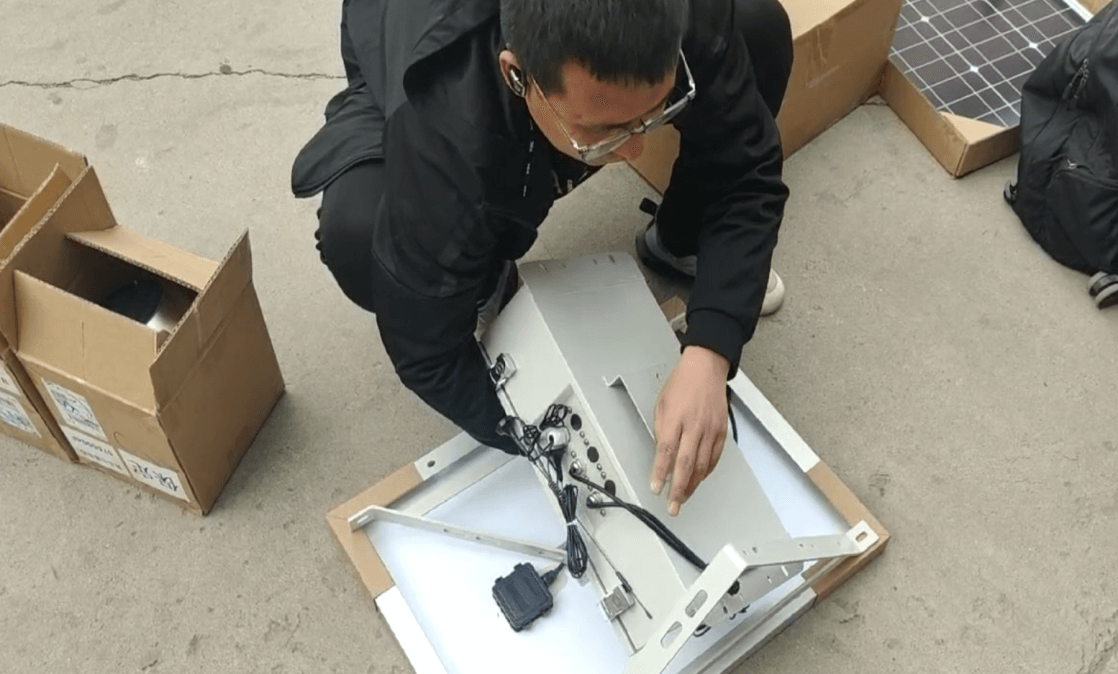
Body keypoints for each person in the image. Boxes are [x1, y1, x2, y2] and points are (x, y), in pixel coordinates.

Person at [291, 0, 794, 517]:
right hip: (417, 45)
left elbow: (747, 171)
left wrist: (712, 348)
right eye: (604, 129)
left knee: (760, 28)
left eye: (660, 108)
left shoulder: (687, 10)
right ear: (517, 74)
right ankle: (481, 281)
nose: (635, 152)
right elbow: (426, 352)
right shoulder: (447, 127)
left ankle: (681, 236)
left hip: (551, 98)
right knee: (360, 235)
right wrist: (562, 442)